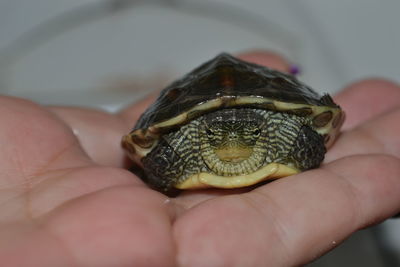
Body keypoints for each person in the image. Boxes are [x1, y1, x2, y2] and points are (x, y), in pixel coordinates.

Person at [0, 51, 399, 267]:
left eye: (247, 134)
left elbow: (308, 135)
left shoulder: (282, 130)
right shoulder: (184, 145)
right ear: (202, 136)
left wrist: (301, 147)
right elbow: (154, 154)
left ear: (261, 132)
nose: (232, 142)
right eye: (217, 135)